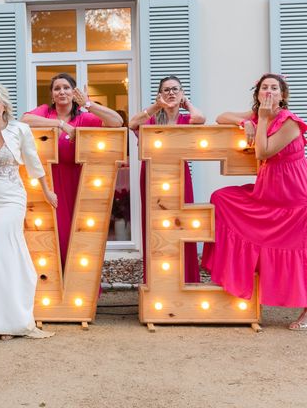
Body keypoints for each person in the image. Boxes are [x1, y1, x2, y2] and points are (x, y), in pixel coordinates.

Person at [202, 73, 307, 330]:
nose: (269, 91)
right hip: (267, 192)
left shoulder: (290, 123)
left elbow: (264, 151)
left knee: (301, 251)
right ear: (258, 93)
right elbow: (220, 116)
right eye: (264, 88)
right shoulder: (256, 115)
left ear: (282, 96)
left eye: (274, 88)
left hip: (294, 198)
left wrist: (259, 120)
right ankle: (233, 280)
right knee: (222, 199)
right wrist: (243, 121)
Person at [0, 84, 57, 340]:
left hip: (11, 198)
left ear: (5, 104)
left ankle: (13, 321)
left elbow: (33, 162)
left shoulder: (20, 129)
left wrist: (47, 191)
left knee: (4, 253)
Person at [21, 73, 123, 267]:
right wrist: (60, 124)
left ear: (74, 93)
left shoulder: (84, 119)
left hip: (77, 182)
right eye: (57, 88)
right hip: (49, 182)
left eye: (66, 88)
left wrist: (89, 104)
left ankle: (77, 285)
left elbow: (116, 121)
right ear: (52, 95)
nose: (62, 92)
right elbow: (24, 120)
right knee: (53, 234)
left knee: (77, 235)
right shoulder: (45, 112)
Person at [128, 75, 205, 283]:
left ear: (181, 94)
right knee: (155, 228)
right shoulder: (152, 121)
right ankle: (159, 282)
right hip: (152, 177)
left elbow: (200, 118)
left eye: (175, 89)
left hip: (180, 176)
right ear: (159, 94)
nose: (171, 93)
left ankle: (186, 280)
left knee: (182, 225)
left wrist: (186, 103)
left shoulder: (185, 121)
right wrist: (155, 106)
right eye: (166, 90)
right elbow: (132, 123)